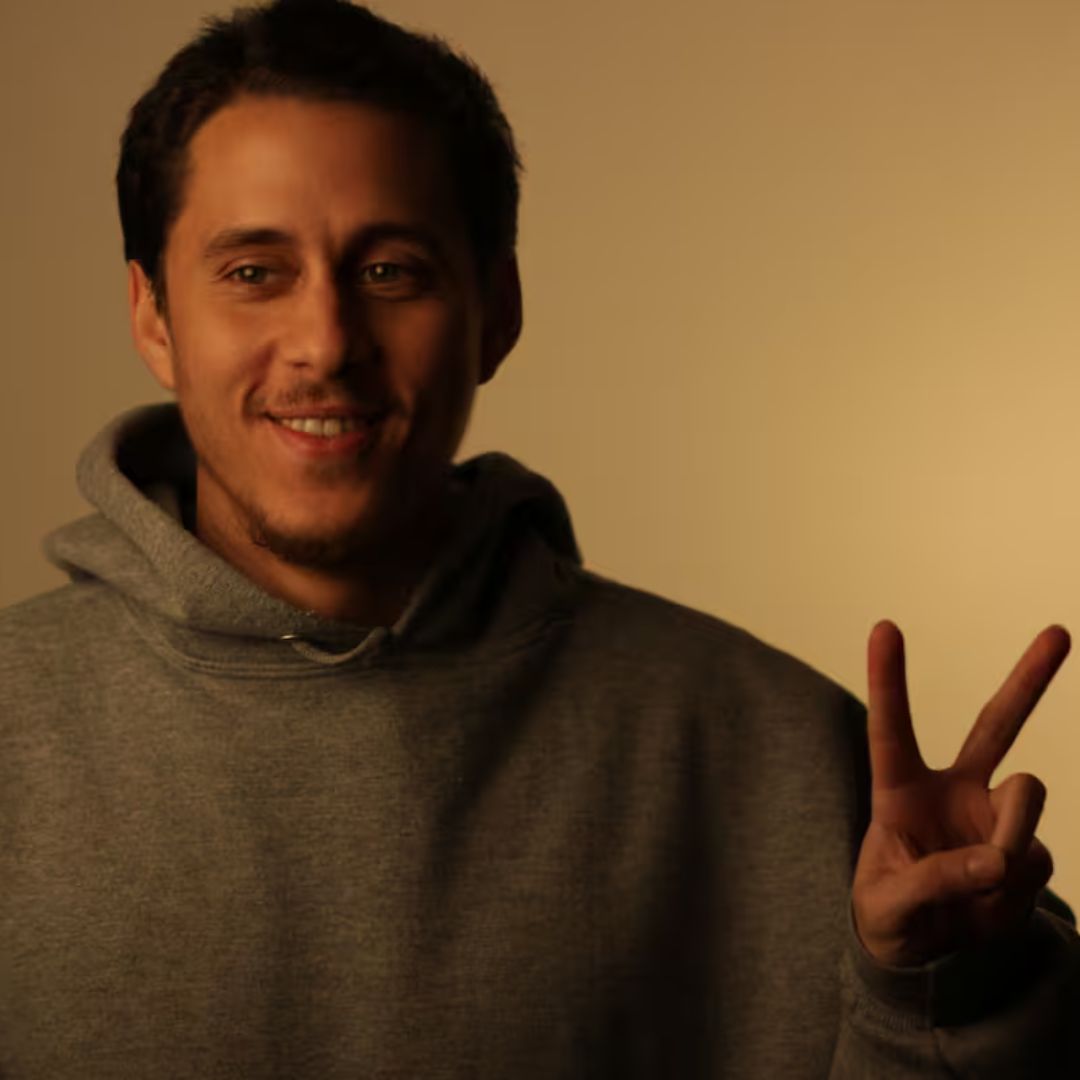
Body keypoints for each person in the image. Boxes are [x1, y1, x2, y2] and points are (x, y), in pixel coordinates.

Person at [0, 0, 1076, 1075]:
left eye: (390, 271)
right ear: (152, 317)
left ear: (497, 311)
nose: (325, 343)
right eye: (253, 273)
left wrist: (953, 996)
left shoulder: (784, 757)